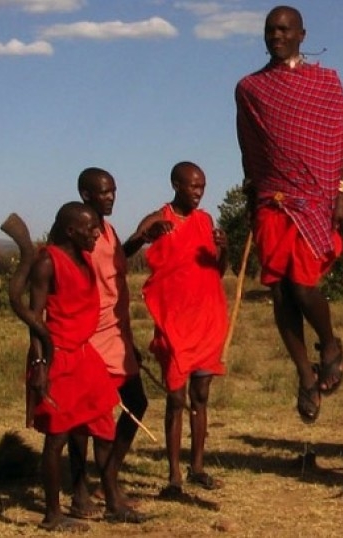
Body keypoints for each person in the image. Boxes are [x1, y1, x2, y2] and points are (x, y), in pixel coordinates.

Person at [235, 5, 343, 424]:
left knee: (304, 287)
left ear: (302, 35)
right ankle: (305, 375)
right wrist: (253, 189)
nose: (277, 36)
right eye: (270, 30)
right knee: (281, 292)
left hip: (317, 199)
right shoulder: (250, 88)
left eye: (285, 29)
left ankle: (331, 344)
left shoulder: (325, 81)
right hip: (272, 201)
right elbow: (248, 144)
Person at [26, 202, 137, 531]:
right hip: (56, 355)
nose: (96, 235)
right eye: (90, 230)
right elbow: (34, 321)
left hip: (84, 355)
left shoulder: (85, 257)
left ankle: (114, 501)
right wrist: (40, 366)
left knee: (104, 426)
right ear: (72, 231)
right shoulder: (48, 262)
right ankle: (53, 514)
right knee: (57, 437)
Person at [127, 162, 229, 497]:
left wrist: (224, 248)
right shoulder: (159, 218)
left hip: (206, 318)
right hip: (174, 322)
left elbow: (217, 270)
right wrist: (145, 236)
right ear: (175, 184)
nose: (199, 192)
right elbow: (124, 252)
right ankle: (173, 476)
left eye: (202, 186)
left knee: (201, 396)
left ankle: (197, 466)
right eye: (193, 186)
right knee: (175, 398)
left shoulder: (205, 221)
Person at [67, 167, 149, 518]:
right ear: (86, 194)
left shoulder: (108, 230)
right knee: (86, 417)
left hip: (117, 332)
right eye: (104, 192)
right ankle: (81, 491)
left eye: (114, 191)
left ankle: (108, 477)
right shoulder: (82, 235)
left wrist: (138, 239)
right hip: (91, 335)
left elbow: (114, 270)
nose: (111, 197)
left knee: (136, 402)